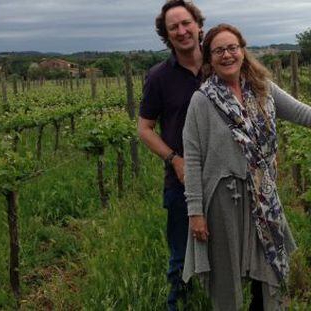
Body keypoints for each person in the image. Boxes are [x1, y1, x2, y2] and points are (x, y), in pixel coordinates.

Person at [182, 23, 311, 310]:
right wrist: (195, 213)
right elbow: (192, 158)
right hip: (224, 201)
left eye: (232, 47)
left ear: (243, 51)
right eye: (219, 50)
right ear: (209, 59)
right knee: (227, 277)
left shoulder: (262, 89)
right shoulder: (202, 100)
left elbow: (300, 111)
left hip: (263, 196)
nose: (227, 55)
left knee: (269, 271)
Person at [137, 1, 204, 310]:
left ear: (198, 24)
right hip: (181, 179)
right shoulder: (159, 77)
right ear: (166, 34)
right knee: (181, 252)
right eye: (173, 27)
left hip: (225, 175)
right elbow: (145, 129)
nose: (182, 30)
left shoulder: (221, 63)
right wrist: (174, 160)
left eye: (186, 23)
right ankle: (178, 304)